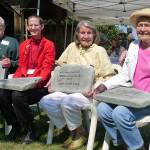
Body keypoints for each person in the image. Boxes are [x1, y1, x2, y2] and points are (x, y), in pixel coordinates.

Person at [39, 20, 115, 149]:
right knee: (46, 101)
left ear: (94, 35)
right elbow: (60, 66)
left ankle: (77, 133)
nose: (85, 36)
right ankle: (76, 130)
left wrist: (95, 88)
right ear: (77, 34)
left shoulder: (99, 50)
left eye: (89, 33)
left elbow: (108, 76)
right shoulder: (71, 47)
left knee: (68, 101)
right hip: (68, 87)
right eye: (82, 33)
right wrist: (54, 79)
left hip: (89, 91)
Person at [95, 8, 150, 150]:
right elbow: (125, 74)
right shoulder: (133, 45)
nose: (142, 29)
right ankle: (123, 143)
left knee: (120, 113)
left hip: (148, 99)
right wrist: (105, 85)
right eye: (140, 25)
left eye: (147, 25)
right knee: (102, 108)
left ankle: (138, 147)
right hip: (133, 96)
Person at [0, 15, 55, 144]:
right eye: (30, 25)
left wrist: (34, 81)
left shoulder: (49, 45)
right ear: (27, 27)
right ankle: (15, 125)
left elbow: (47, 69)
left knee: (17, 96)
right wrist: (17, 82)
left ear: (41, 27)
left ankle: (31, 129)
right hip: (23, 83)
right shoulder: (24, 44)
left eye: (36, 25)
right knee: (2, 93)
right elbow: (21, 67)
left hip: (40, 86)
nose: (33, 27)